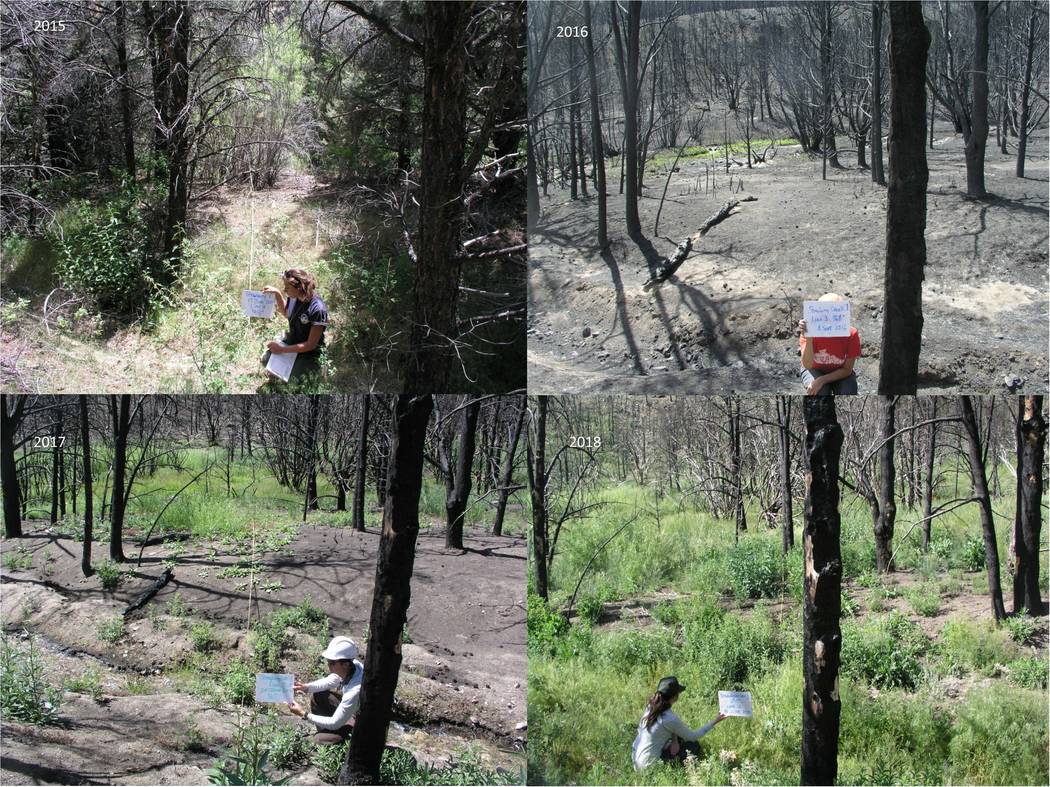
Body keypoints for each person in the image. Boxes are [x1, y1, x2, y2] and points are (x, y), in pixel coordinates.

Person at [631, 676, 727, 770]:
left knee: (678, 738)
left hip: (636, 759)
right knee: (693, 745)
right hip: (648, 766)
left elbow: (665, 728)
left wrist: (674, 740)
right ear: (674, 697)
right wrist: (715, 721)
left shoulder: (652, 706)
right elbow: (692, 736)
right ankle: (679, 767)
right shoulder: (670, 718)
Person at [287, 636, 364, 744]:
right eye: (328, 661)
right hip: (352, 712)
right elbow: (333, 679)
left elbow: (335, 723)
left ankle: (341, 739)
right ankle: (330, 732)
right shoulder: (353, 665)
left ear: (346, 664)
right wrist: (306, 687)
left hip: (361, 723)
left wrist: (303, 714)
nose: (329, 665)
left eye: (332, 663)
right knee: (318, 695)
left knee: (318, 740)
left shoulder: (355, 690)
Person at [260, 268, 329, 381]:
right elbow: (287, 313)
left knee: (300, 379)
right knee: (266, 359)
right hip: (294, 341)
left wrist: (281, 350)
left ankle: (316, 370)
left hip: (310, 352)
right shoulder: (294, 297)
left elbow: (310, 345)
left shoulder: (317, 309)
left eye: (287, 288)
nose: (285, 290)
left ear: (299, 287)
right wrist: (277, 294)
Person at [798, 293, 861, 395]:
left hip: (840, 371)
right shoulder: (808, 330)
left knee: (848, 391)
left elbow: (847, 370)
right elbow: (807, 365)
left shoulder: (851, 334)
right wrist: (809, 338)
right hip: (814, 369)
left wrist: (822, 380)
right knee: (819, 392)